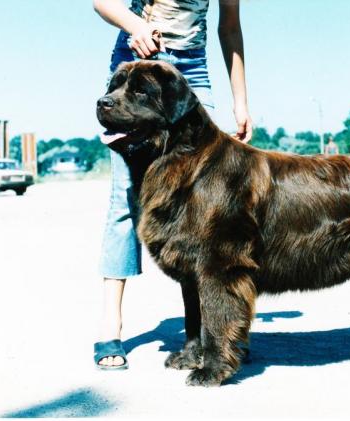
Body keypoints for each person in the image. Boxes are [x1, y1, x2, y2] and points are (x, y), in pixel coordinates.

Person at [92, 0, 253, 369]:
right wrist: (136, 25)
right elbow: (103, 3)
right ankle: (110, 325)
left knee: (205, 207)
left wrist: (240, 102)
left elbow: (229, 27)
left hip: (192, 69)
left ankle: (208, 334)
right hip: (138, 64)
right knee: (126, 202)